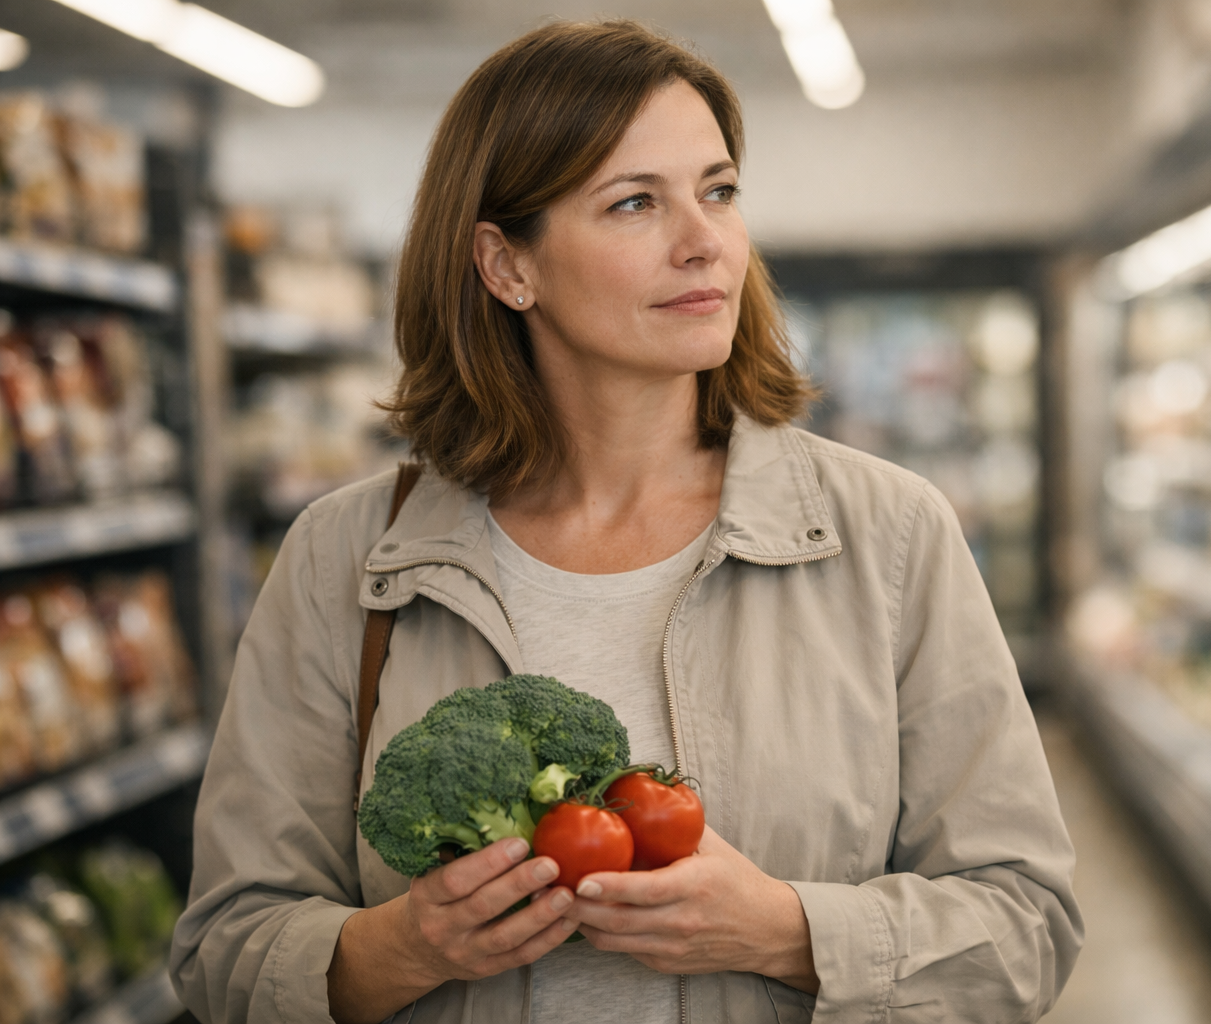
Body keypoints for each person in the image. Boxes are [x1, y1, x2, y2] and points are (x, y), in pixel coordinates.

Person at [170, 20, 1082, 1024]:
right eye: (635, 202)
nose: (706, 241)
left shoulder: (889, 535)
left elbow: (1027, 921)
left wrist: (787, 930)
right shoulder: (345, 559)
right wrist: (400, 948)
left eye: (720, 191)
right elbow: (224, 948)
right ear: (506, 265)